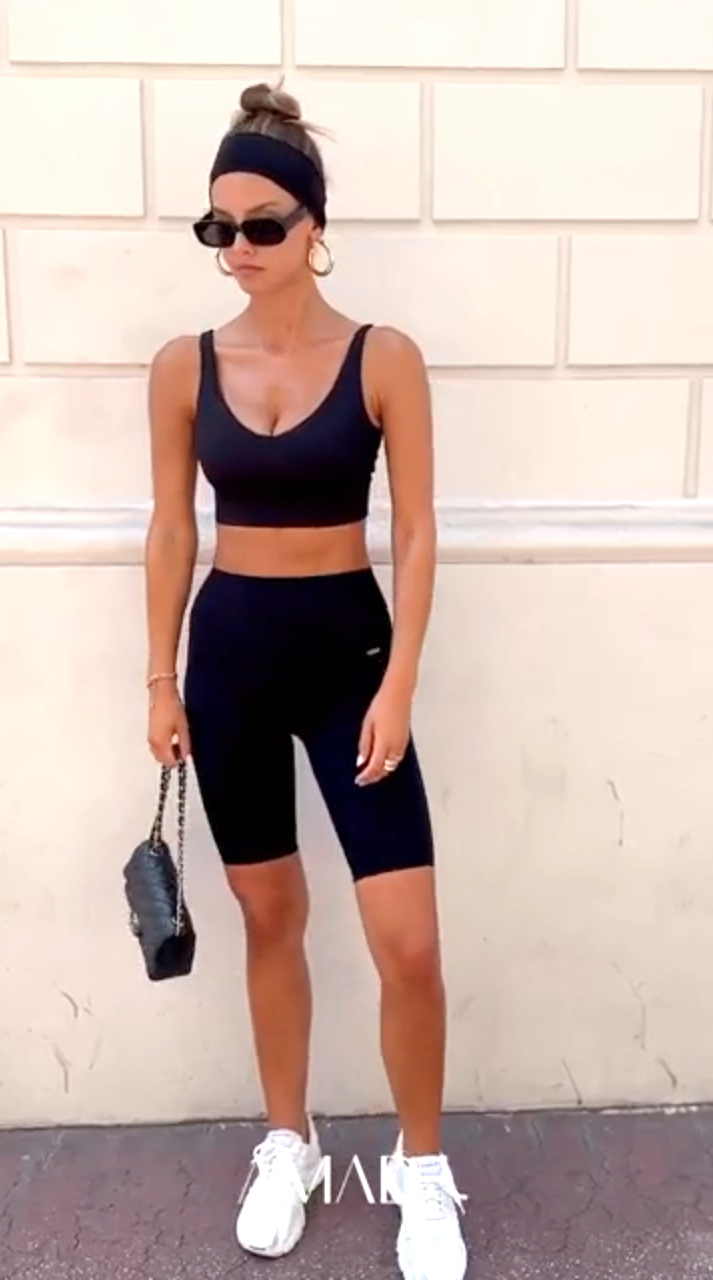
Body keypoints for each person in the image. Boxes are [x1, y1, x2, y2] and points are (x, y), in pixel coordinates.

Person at [143, 79, 467, 1280]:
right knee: (269, 915)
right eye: (216, 227)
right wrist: (159, 679)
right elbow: (170, 529)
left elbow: (417, 530)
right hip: (229, 660)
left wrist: (402, 683)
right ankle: (289, 1139)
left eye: (261, 225)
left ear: (312, 225)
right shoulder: (182, 367)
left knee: (408, 942)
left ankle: (421, 1168)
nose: (236, 248)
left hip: (350, 662)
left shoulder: (384, 358)